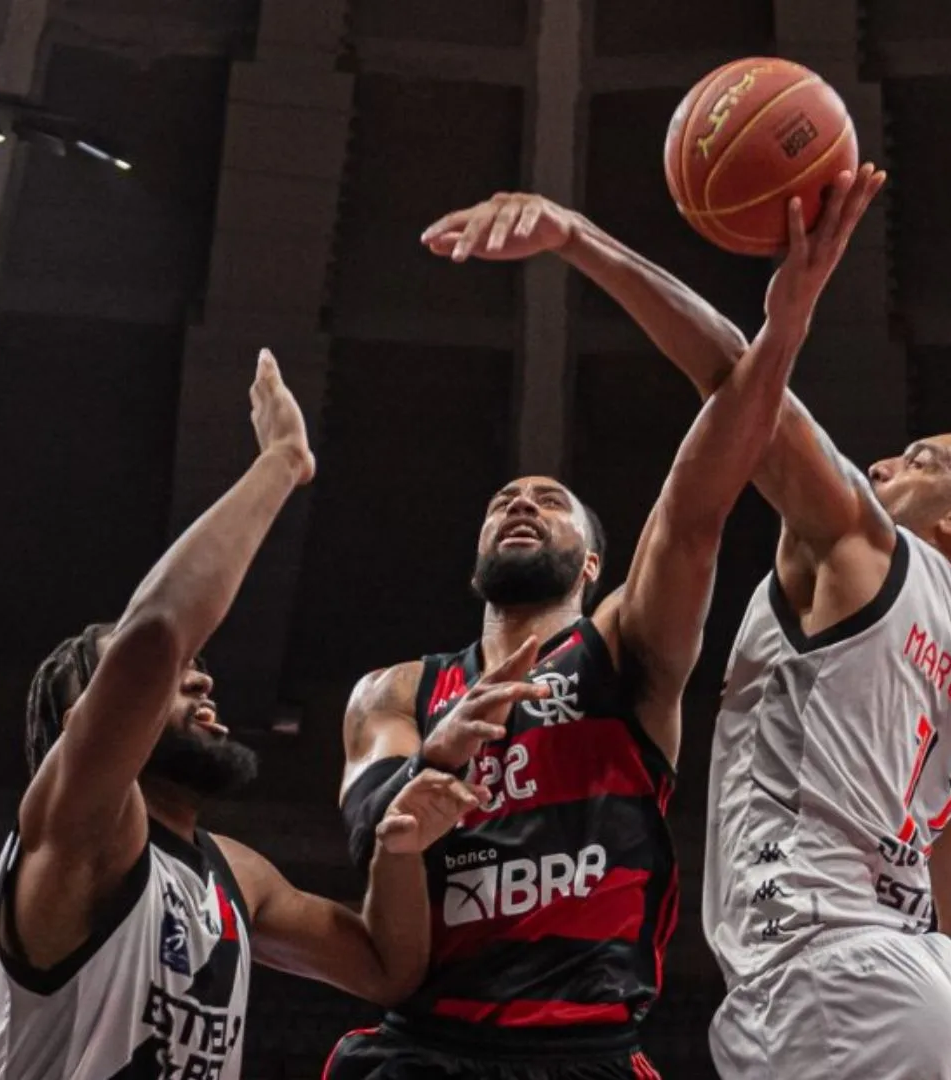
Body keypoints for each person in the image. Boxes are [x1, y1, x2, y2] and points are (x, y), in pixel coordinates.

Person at [324, 169, 885, 1080]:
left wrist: (778, 330)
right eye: (506, 499)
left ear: (592, 561)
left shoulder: (623, 647)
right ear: (476, 559)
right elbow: (374, 832)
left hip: (585, 1049)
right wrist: (436, 762)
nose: (521, 504)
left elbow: (702, 495)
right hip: (427, 1048)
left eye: (550, 501)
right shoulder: (397, 691)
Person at [453, 189, 951, 1079]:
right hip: (927, 978)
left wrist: (582, 240)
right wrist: (928, 1008)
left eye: (917, 461)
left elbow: (735, 388)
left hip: (822, 959)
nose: (880, 464)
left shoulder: (865, 544)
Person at [0, 352, 485, 1080]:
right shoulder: (75, 830)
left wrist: (400, 853)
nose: (202, 677)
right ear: (87, 714)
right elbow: (155, 635)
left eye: (195, 670)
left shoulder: (235, 873)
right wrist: (279, 462)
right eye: (178, 676)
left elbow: (383, 968)